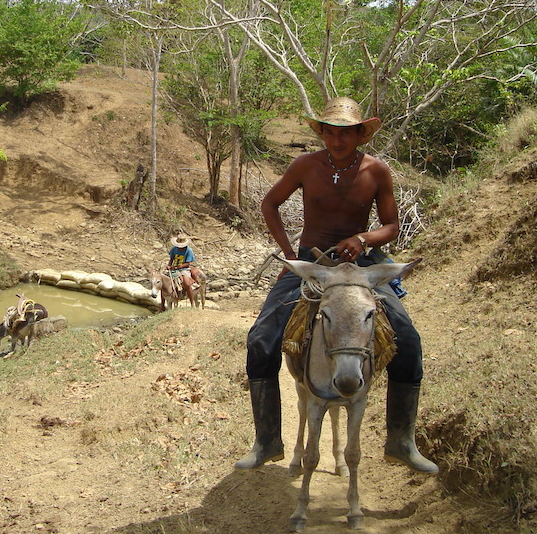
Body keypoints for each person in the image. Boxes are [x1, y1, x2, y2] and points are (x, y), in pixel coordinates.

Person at [234, 96, 438, 474]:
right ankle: (266, 440)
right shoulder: (305, 165)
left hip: (362, 265)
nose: (336, 139)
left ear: (361, 134)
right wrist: (288, 257)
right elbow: (270, 204)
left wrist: (363, 238)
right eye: (329, 131)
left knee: (407, 338)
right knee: (261, 337)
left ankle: (401, 441)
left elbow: (391, 225)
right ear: (322, 132)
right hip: (312, 262)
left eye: (345, 133)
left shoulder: (376, 171)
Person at [167, 232, 202, 303]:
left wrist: (179, 267)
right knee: (162, 281)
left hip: (184, 269)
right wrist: (169, 265)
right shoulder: (174, 249)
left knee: (187, 283)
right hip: (174, 268)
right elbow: (171, 259)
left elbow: (187, 264)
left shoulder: (189, 251)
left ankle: (192, 301)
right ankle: (162, 304)